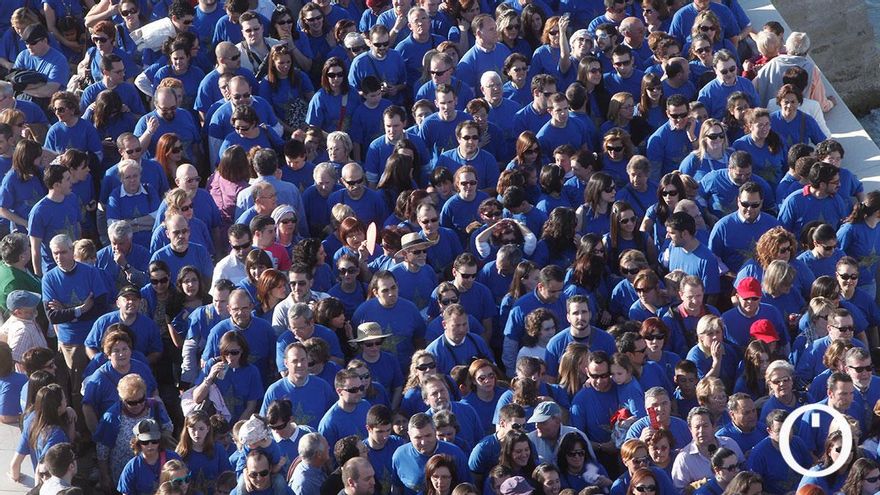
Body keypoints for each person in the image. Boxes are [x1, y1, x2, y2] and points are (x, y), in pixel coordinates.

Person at [390, 413, 471, 495]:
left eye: (428, 435)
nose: (424, 442)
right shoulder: (400, 456)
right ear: (409, 435)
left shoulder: (455, 454)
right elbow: (397, 488)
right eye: (418, 437)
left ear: (435, 432)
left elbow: (467, 489)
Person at [670, 407, 744, 491]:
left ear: (714, 426)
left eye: (705, 426)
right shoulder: (684, 458)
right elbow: (678, 491)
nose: (701, 431)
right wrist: (698, 485)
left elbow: (744, 471)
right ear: (690, 430)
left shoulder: (730, 444)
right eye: (697, 427)